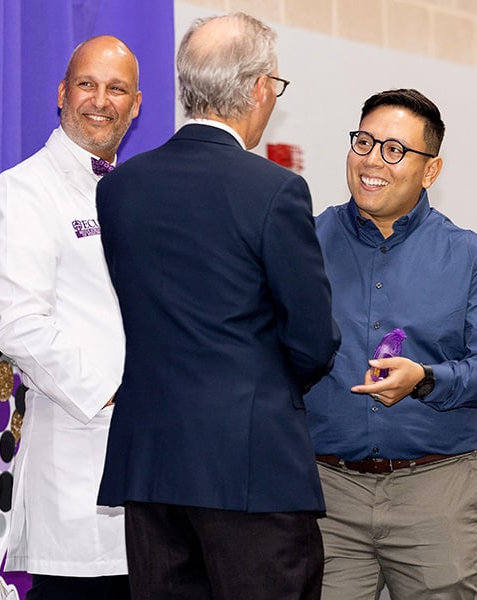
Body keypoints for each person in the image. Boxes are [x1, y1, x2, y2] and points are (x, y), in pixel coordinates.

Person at [95, 12, 341, 600]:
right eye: (275, 88)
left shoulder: (119, 189)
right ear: (258, 88)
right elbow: (312, 339)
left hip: (152, 465)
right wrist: (258, 395)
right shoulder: (275, 190)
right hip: (252, 471)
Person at [305, 88, 477, 600]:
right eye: (364, 142)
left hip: (435, 493)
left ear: (431, 170)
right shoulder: (303, 241)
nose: (372, 160)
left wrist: (426, 379)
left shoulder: (470, 257)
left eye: (394, 150)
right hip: (326, 493)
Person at [0, 35, 141, 599]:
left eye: (116, 88)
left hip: (148, 486)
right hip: (76, 474)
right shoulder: (22, 191)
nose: (101, 100)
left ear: (137, 104)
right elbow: (21, 325)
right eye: (87, 84)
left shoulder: (135, 194)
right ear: (61, 94)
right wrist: (114, 395)